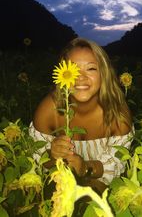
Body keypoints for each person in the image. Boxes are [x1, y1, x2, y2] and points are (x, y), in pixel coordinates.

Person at [29, 37, 134, 194]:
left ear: (104, 73)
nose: (80, 77)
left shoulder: (118, 116)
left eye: (91, 68)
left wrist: (84, 168)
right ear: (63, 73)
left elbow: (116, 166)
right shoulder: (48, 112)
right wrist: (53, 156)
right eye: (73, 69)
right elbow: (40, 167)